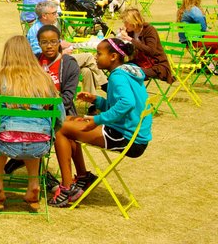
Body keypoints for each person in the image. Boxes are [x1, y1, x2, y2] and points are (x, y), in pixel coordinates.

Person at [49, 37, 151, 208]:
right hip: (134, 134)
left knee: (59, 127)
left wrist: (98, 119)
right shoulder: (129, 70)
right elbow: (121, 105)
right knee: (65, 121)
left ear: (113, 57)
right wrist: (96, 100)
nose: (95, 57)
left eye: (99, 54)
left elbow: (127, 104)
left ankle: (67, 188)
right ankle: (82, 177)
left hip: (126, 136)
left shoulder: (117, 77)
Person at [0, 36, 61, 211]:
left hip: (5, 142)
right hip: (40, 144)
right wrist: (51, 133)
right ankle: (33, 184)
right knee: (33, 132)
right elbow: (60, 116)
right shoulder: (45, 79)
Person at [27, 0, 108, 97]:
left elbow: (58, 43)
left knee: (87, 71)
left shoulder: (46, 26)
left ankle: (92, 104)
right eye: (54, 13)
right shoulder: (37, 30)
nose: (57, 15)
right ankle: (105, 85)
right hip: (49, 64)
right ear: (44, 16)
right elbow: (37, 53)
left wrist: (72, 44)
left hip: (58, 60)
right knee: (89, 57)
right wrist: (62, 53)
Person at [117, 8, 173, 84]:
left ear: (134, 22)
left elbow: (151, 51)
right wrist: (121, 37)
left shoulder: (149, 30)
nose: (125, 25)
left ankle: (137, 95)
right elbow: (128, 51)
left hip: (156, 65)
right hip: (139, 62)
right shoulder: (130, 32)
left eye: (126, 23)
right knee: (117, 70)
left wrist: (130, 39)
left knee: (129, 73)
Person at [36, 25, 79, 118]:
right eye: (44, 42)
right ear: (39, 44)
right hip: (34, 112)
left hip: (60, 113)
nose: (49, 46)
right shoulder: (33, 61)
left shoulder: (69, 64)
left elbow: (68, 98)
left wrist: (47, 106)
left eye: (53, 42)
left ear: (59, 43)